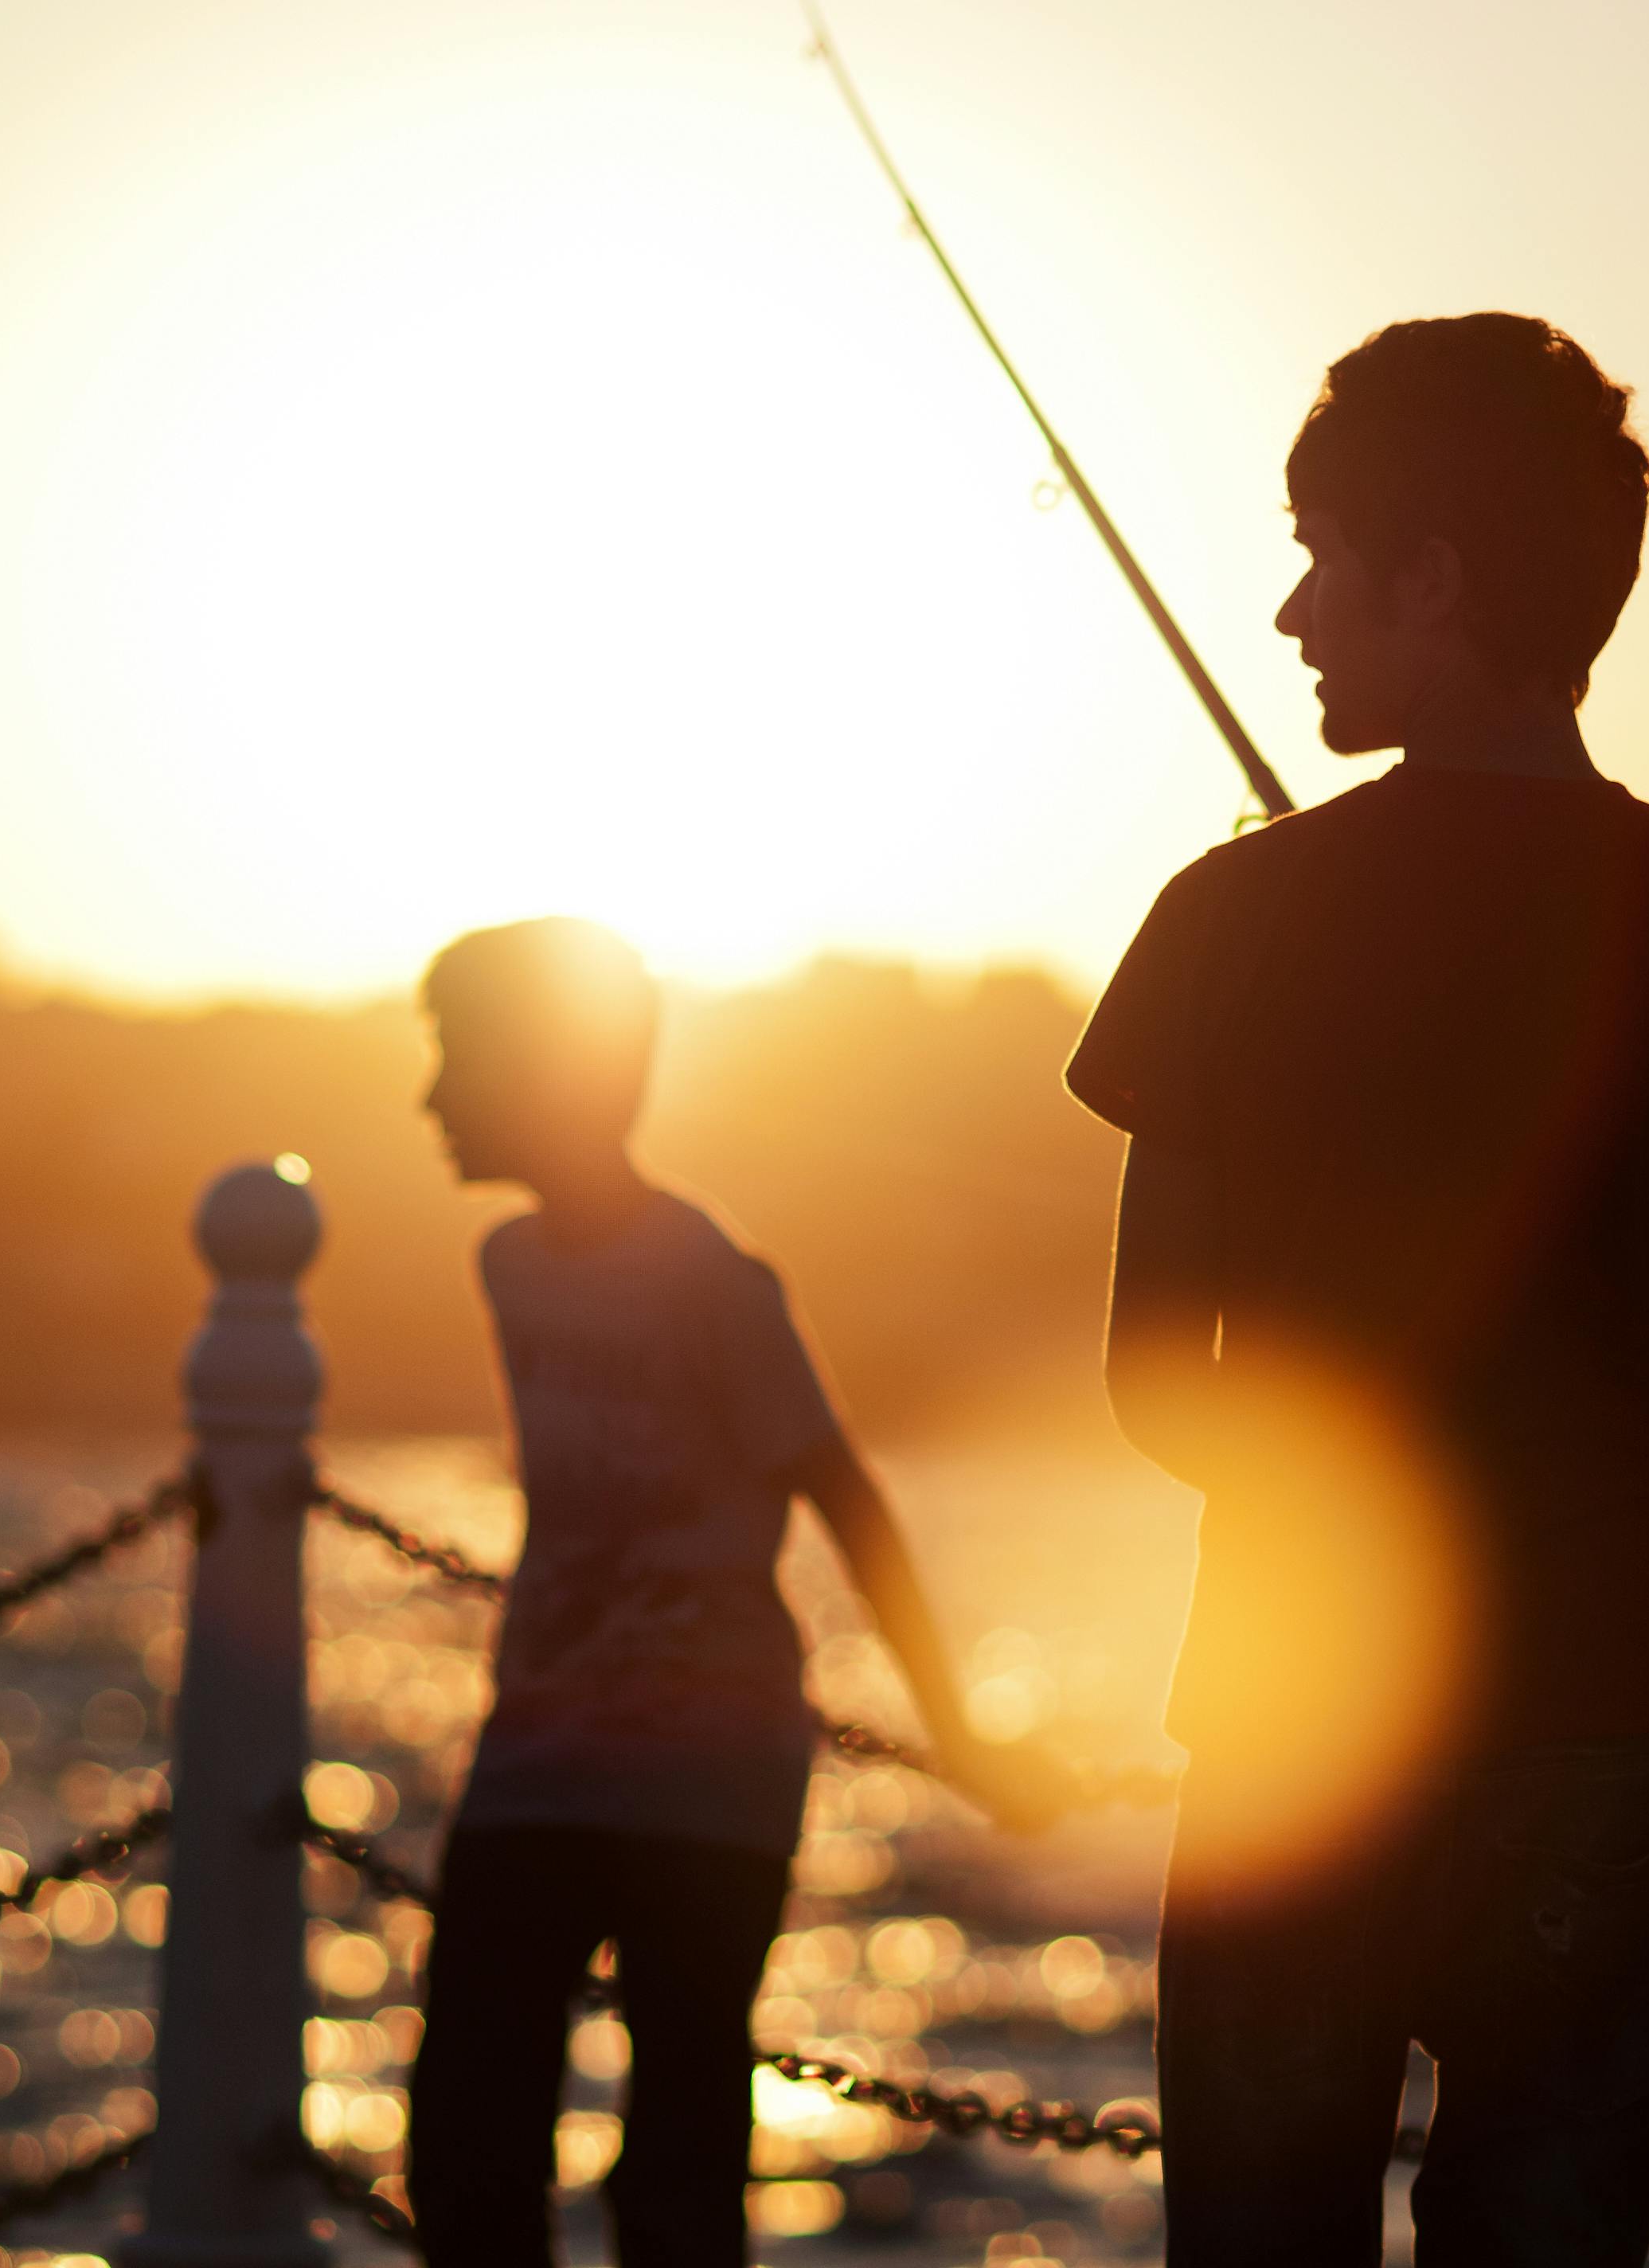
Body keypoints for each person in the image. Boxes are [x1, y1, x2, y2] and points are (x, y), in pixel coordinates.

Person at [1067, 314, 1649, 2266]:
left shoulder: (1223, 920)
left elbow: (1161, 1383)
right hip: (1595, 1717)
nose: (1287, 610)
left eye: (1323, 554)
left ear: (1429, 578)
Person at [401, 916, 1061, 2268]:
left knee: (679, 2171)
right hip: (534, 1755)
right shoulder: (509, 1268)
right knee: (466, 2147)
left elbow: (849, 1499)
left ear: (544, 1074)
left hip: (711, 1779)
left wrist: (966, 1735)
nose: (431, 1095)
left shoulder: (713, 1279)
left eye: (458, 1057)